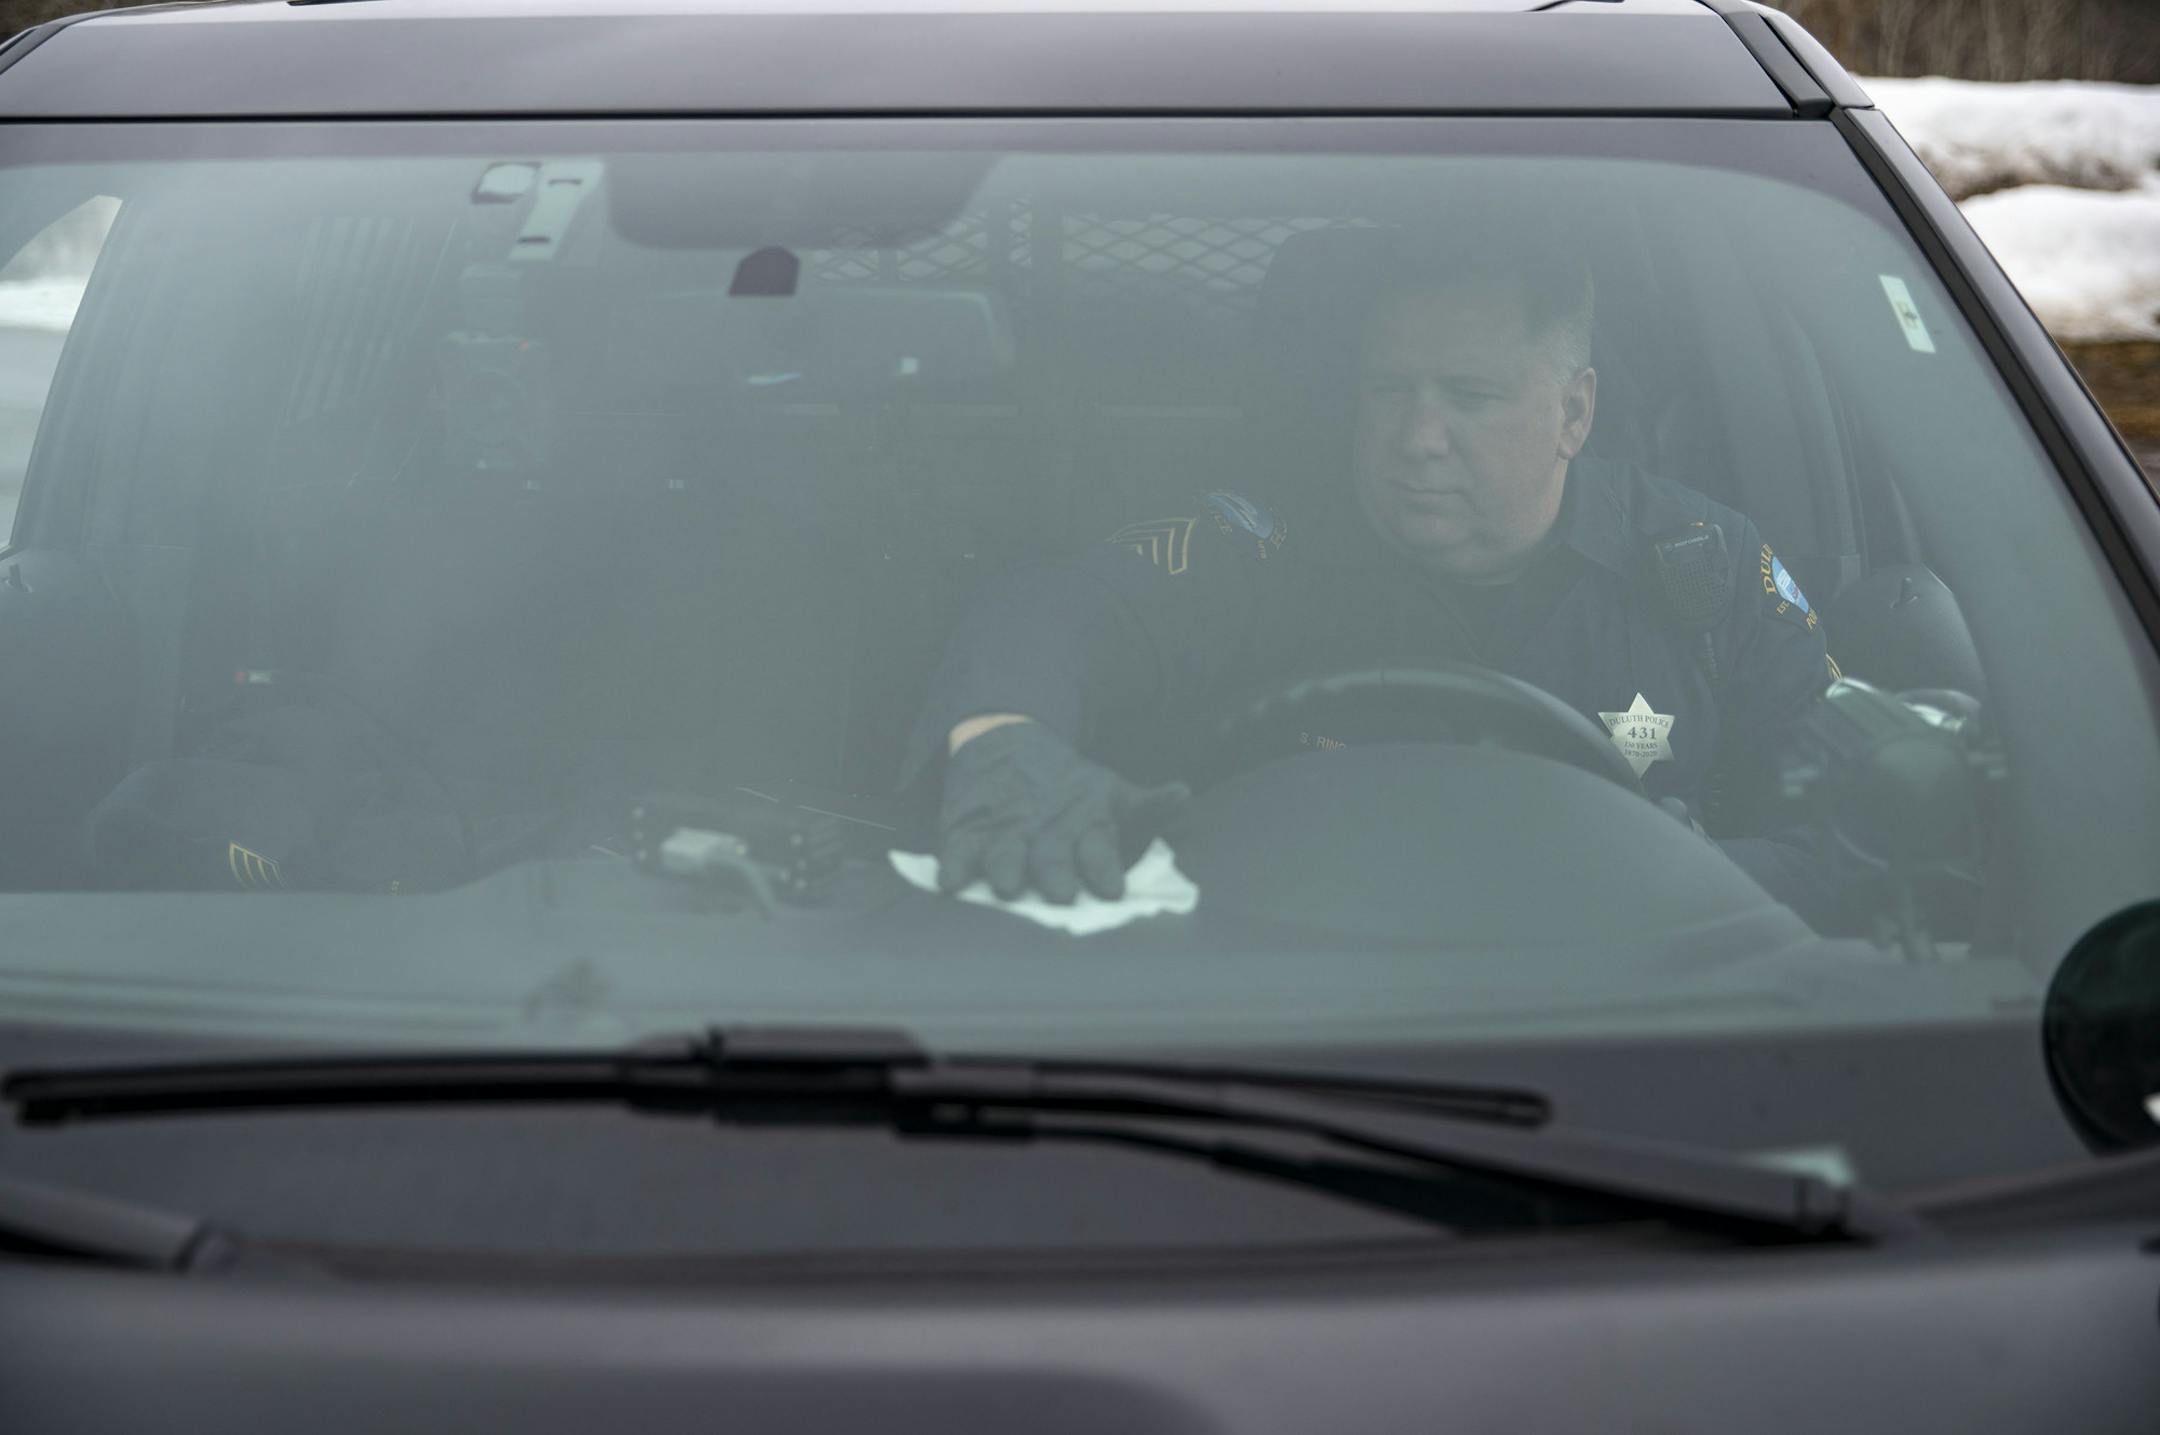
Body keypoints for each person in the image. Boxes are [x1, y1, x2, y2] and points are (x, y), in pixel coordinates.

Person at [907, 228, 1837, 920]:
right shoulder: (1263, 549)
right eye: (1390, 391)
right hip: (1299, 1013)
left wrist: (1678, 880)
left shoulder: (1703, 568)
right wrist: (1002, 737)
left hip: (1638, 1019)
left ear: (1575, 411)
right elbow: (1063, 612)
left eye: (1469, 397)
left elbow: (1855, 833)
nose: (1418, 439)